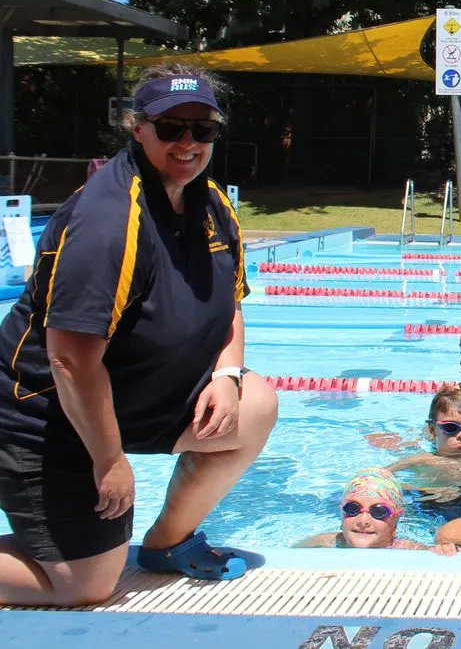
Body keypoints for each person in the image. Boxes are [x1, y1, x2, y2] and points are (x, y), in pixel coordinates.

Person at [0, 66, 279, 606]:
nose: (188, 143)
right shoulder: (108, 222)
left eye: (203, 130)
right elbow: (69, 361)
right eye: (171, 127)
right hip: (47, 415)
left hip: (124, 399)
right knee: (85, 584)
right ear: (137, 128)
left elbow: (231, 306)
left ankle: (167, 544)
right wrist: (109, 461)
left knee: (255, 404)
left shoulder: (212, 204)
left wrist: (225, 375)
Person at [296, 468, 425, 550]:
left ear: (396, 520)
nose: (363, 521)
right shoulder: (322, 543)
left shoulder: (410, 551)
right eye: (352, 508)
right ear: (341, 514)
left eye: (379, 511)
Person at [387, 386, 461, 496]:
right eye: (450, 428)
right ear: (432, 429)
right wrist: (425, 490)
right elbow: (377, 477)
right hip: (431, 504)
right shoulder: (421, 461)